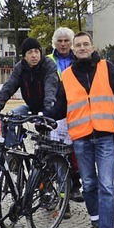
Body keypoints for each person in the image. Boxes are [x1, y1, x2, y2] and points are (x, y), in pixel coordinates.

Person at [46, 31, 114, 228]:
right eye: (78, 45)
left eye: (86, 44)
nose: (82, 48)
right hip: (81, 137)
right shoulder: (68, 75)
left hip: (105, 136)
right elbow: (61, 106)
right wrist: (46, 117)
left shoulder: (107, 68)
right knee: (89, 185)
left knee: (106, 186)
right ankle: (95, 224)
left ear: (92, 47)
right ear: (73, 49)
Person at [0, 37, 58, 147]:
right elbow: (8, 88)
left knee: (45, 141)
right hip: (30, 107)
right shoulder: (20, 67)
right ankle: (13, 153)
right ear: (24, 56)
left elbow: (50, 89)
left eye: (36, 51)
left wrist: (47, 112)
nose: (34, 55)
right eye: (30, 52)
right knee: (8, 120)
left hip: (47, 108)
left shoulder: (48, 65)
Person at [48, 26, 83, 203]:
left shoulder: (77, 59)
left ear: (71, 43)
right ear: (55, 43)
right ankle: (55, 187)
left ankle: (74, 186)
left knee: (75, 150)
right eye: (60, 41)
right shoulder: (48, 60)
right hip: (56, 105)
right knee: (56, 149)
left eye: (66, 41)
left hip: (76, 107)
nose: (63, 44)